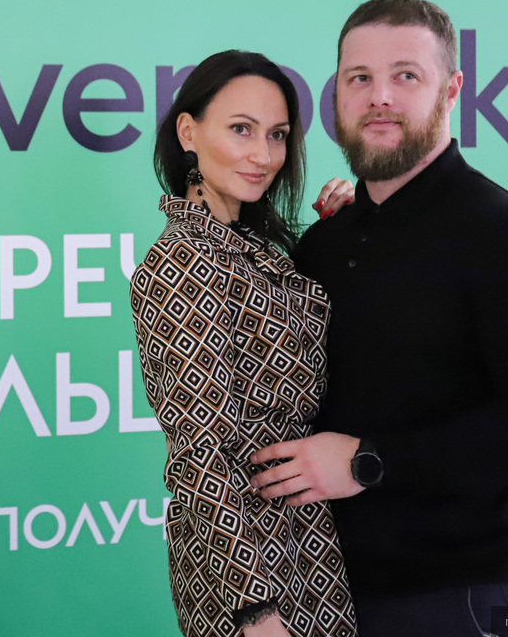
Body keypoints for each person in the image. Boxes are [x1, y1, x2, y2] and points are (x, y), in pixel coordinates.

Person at [249, 0, 508, 637]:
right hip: (327, 597)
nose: (379, 97)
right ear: (336, 94)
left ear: (452, 89)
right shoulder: (324, 243)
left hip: (471, 603)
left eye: (405, 75)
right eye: (359, 78)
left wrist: (368, 461)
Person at [130, 49, 358, 637]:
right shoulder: (180, 262)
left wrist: (347, 229)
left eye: (277, 135)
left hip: (306, 536)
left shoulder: (250, 244)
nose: (263, 155)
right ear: (188, 133)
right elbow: (199, 455)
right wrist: (255, 611)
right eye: (241, 129)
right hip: (248, 565)